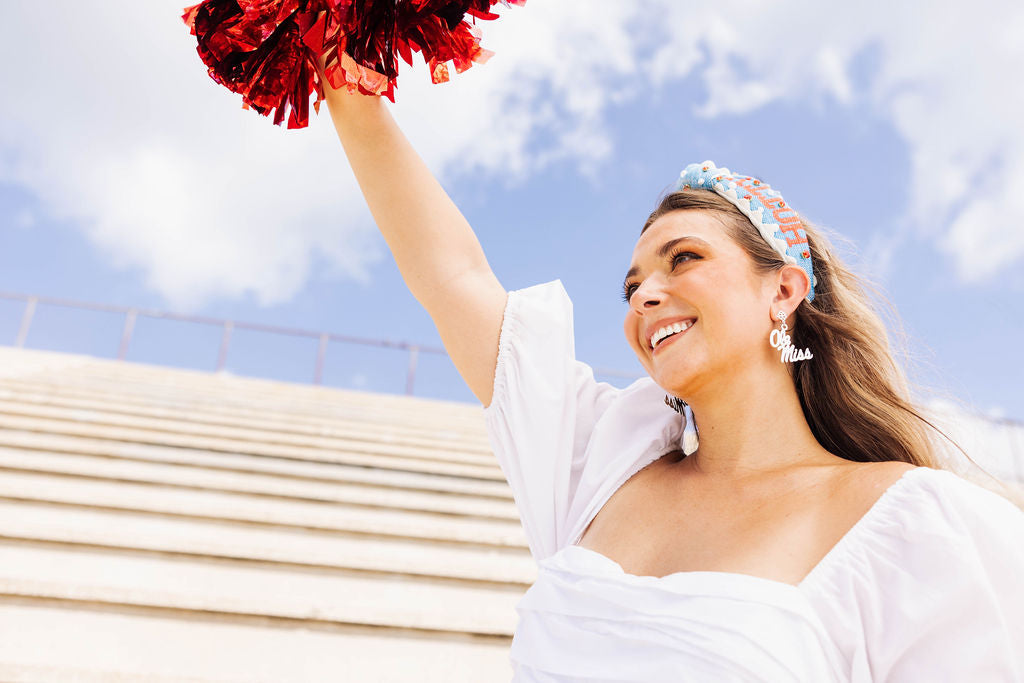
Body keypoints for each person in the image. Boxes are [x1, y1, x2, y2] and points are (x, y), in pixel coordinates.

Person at [319, 70, 1024, 682]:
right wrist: (346, 92)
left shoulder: (920, 524)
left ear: (783, 291)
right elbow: (454, 277)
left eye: (682, 258)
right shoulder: (600, 466)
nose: (645, 295)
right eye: (631, 286)